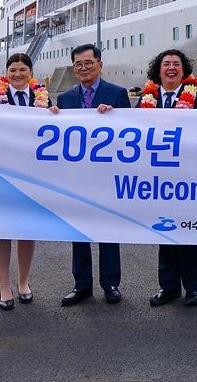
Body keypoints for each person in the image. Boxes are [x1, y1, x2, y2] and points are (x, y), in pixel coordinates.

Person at [50, 43, 131, 305]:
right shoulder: (65, 99)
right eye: (78, 64)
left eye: (88, 63)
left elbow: (131, 133)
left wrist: (113, 116)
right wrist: (50, 118)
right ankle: (81, 284)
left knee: (108, 230)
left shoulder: (117, 94)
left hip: (108, 175)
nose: (83, 68)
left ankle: (110, 283)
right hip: (76, 177)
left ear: (100, 64)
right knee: (79, 232)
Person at [142, 49, 197, 307]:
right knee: (166, 232)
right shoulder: (146, 99)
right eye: (166, 64)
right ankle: (168, 286)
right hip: (160, 178)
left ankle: (193, 287)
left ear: (184, 70)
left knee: (192, 231)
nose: (171, 68)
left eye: (176, 64)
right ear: (158, 70)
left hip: (190, 177)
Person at [0, 53, 47, 310]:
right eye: (12, 70)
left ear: (30, 71)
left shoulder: (42, 99)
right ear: (6, 73)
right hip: (0, 175)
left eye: (22, 70)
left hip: (32, 175)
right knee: (0, 231)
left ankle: (23, 282)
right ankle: (4, 287)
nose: (17, 74)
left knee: (26, 230)